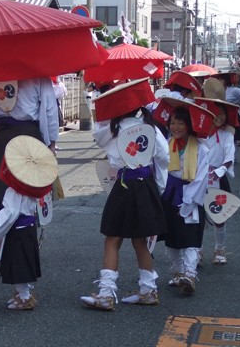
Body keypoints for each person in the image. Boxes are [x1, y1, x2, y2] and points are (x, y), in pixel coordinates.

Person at [80, 79, 169, 311]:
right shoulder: (151, 129)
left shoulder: (113, 130)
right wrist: (158, 187)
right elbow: (164, 158)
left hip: (125, 185)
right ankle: (148, 290)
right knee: (141, 240)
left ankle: (107, 293)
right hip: (146, 184)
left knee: (113, 238)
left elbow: (97, 137)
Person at [0, 135, 58, 310]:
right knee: (24, 263)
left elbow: (8, 214)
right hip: (29, 229)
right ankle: (23, 293)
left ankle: (24, 297)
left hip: (17, 231)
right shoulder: (32, 188)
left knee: (19, 266)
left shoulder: (14, 192)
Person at [152, 97, 214, 295]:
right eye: (172, 122)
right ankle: (178, 272)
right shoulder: (166, 144)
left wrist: (189, 202)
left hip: (190, 195)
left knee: (190, 236)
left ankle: (189, 272)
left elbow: (202, 178)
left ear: (190, 125)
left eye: (180, 122)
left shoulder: (202, 148)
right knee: (171, 236)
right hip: (169, 194)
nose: (175, 126)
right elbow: (159, 170)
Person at [0, 78, 58, 213]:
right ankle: (26, 228)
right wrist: (51, 142)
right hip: (29, 136)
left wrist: (2, 118)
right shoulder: (38, 75)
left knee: (2, 193)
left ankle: (4, 229)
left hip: (2, 136)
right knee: (30, 193)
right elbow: (50, 109)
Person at [195, 97, 240, 265]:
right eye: (216, 113)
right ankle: (197, 250)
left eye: (222, 114)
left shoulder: (226, 134)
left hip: (217, 178)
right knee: (198, 216)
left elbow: (229, 155)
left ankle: (219, 248)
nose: (219, 116)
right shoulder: (199, 133)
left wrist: (221, 170)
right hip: (198, 178)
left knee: (219, 216)